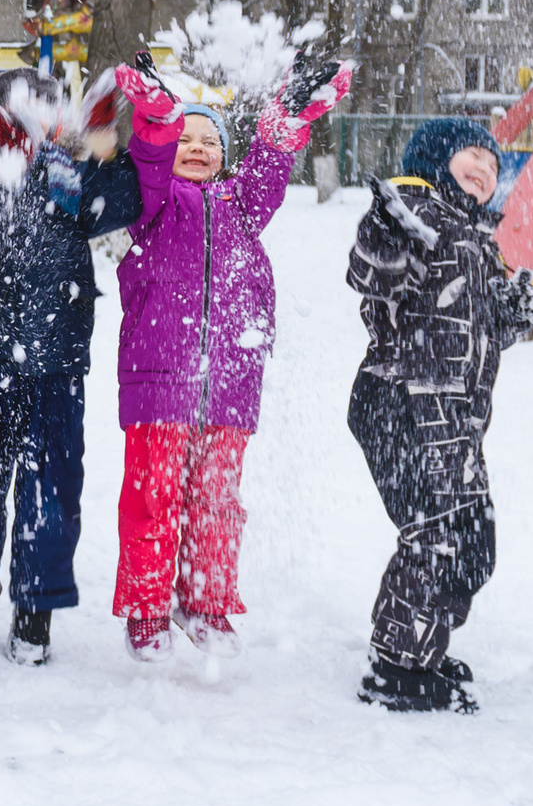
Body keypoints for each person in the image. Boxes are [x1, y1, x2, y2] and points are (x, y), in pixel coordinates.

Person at [109, 51, 351, 661]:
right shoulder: (154, 207)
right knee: (152, 498)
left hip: (229, 386)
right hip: (161, 380)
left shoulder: (241, 205)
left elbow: (269, 169)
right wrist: (158, 122)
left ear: (224, 154)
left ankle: (207, 603)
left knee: (217, 501)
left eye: (208, 141)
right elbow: (148, 164)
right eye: (183, 139)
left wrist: (288, 114)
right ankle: (147, 610)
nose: (195, 148)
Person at [0, 70, 141, 665]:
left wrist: (101, 139)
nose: (40, 121)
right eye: (24, 112)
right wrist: (9, 158)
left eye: (52, 108)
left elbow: (123, 199)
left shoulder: (73, 177)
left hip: (56, 369)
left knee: (52, 490)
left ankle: (35, 604)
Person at [346, 118, 533, 713]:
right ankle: (396, 666)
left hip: (452, 420)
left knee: (472, 539)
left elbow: (465, 329)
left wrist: (512, 315)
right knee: (438, 534)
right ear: (436, 159)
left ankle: (421, 644)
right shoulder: (418, 213)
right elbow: (370, 274)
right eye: (471, 156)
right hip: (401, 402)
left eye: (492, 162)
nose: (486, 168)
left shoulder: (477, 240)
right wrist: (386, 228)